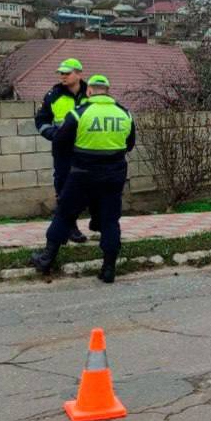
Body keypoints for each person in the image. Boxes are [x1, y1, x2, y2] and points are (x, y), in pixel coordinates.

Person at [30, 75, 136, 283]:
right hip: (114, 175)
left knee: (64, 214)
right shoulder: (125, 114)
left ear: (89, 91)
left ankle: (46, 259)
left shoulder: (79, 113)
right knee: (110, 220)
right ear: (108, 91)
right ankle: (108, 268)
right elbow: (129, 144)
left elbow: (60, 142)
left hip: (82, 174)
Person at [35, 57, 91, 243]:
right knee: (64, 188)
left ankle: (94, 220)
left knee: (87, 188)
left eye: (67, 73)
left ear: (78, 74)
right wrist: (54, 134)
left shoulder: (90, 94)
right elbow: (41, 120)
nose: (63, 76)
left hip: (87, 150)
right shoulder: (54, 95)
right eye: (61, 73)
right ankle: (70, 226)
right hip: (63, 151)